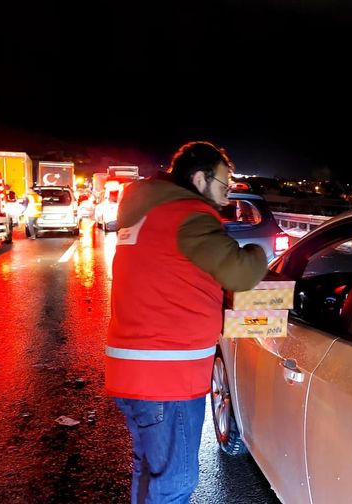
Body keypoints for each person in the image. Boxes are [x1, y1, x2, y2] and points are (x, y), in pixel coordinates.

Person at [106, 141, 268, 503]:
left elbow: (178, 282)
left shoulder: (148, 213)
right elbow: (241, 273)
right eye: (224, 185)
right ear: (199, 178)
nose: (226, 196)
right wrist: (260, 253)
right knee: (175, 484)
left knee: (149, 473)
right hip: (167, 378)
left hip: (135, 372)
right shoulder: (187, 215)